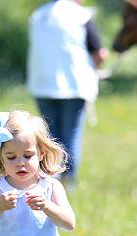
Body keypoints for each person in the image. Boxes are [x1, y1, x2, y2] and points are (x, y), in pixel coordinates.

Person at [27, 0, 109, 187]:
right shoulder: (81, 15)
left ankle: (48, 183)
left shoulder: (38, 15)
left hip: (42, 85)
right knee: (70, 138)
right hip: (74, 85)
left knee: (49, 139)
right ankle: (67, 186)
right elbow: (100, 54)